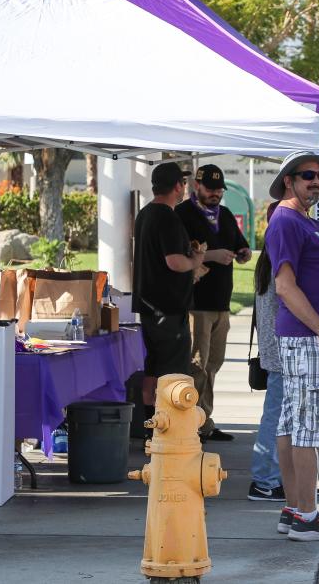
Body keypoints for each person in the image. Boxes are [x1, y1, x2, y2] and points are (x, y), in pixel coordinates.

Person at [265, 150, 319, 542]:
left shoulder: (308, 222)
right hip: (310, 338)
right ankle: (306, 516)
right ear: (289, 180)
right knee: (308, 427)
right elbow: (285, 286)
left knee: (293, 422)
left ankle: (294, 509)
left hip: (313, 338)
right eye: (307, 176)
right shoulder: (285, 220)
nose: (316, 181)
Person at [175, 164, 252, 442]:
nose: (216, 194)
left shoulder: (226, 215)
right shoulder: (183, 214)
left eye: (219, 189)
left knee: (213, 365)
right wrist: (212, 255)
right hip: (196, 303)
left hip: (222, 303)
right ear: (197, 186)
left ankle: (204, 421)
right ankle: (192, 424)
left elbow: (241, 245)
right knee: (197, 364)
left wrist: (243, 252)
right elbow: (178, 255)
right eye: (210, 189)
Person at [132, 162, 206, 434]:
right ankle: (169, 431)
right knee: (174, 373)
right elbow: (174, 262)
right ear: (177, 186)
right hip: (169, 308)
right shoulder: (167, 217)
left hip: (151, 305)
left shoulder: (146, 214)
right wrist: (195, 260)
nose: (184, 188)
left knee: (153, 370)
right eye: (183, 183)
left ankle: (150, 425)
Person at [248, 201, 285, 501]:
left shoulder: (267, 257)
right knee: (275, 416)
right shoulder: (277, 257)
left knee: (278, 415)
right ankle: (264, 480)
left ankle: (272, 476)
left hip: (274, 348)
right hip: (280, 350)